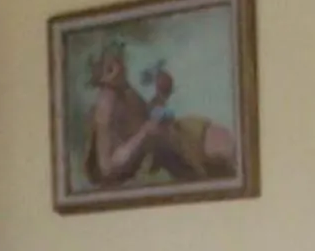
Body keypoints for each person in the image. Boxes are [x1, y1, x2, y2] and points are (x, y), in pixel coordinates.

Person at [82, 39, 235, 189]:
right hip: (156, 154)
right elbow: (107, 167)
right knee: (220, 153)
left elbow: (146, 114)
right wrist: (144, 133)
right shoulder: (106, 106)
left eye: (120, 61)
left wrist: (161, 93)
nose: (121, 68)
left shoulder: (124, 89)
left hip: (170, 135)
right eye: (111, 68)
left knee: (222, 139)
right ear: (99, 75)